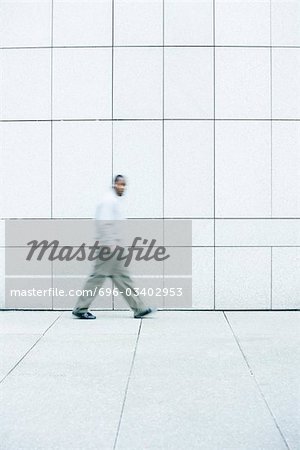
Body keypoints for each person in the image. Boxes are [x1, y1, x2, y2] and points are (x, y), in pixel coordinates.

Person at [72, 175, 156, 320]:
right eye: (120, 184)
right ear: (114, 185)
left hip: (113, 247)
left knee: (121, 278)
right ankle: (80, 308)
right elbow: (104, 223)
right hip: (109, 248)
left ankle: (139, 308)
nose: (122, 187)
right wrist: (110, 244)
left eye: (124, 185)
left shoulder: (112, 201)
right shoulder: (108, 201)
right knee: (99, 278)